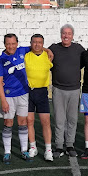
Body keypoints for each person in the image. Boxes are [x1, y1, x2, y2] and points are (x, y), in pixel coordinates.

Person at [49, 24, 86, 157]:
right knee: (59, 119)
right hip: (58, 89)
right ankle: (59, 146)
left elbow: (86, 60)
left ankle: (70, 144)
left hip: (75, 89)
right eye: (64, 33)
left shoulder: (79, 49)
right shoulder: (53, 48)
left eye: (69, 33)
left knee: (72, 119)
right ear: (61, 35)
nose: (66, 36)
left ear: (72, 35)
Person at [0, 33, 32, 164]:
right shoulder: (0, 60)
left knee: (23, 122)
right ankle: (7, 152)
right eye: (8, 44)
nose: (11, 46)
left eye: (13, 43)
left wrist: (48, 50)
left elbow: (37, 47)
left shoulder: (22, 50)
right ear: (4, 44)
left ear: (17, 43)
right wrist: (3, 100)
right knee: (8, 123)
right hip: (8, 96)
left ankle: (24, 150)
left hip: (23, 93)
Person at [24, 33, 55, 161]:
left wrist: (47, 50)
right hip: (28, 92)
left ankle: (48, 149)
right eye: (34, 42)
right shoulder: (25, 56)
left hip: (42, 92)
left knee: (45, 122)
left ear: (43, 44)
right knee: (29, 121)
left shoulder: (48, 56)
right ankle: (33, 147)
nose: (37, 44)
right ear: (31, 43)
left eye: (39, 42)